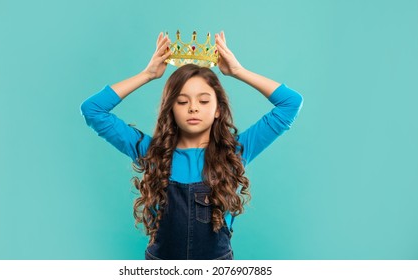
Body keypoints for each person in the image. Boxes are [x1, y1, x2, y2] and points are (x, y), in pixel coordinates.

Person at [80, 31, 303, 260]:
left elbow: (290, 104)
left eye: (204, 101)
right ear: (171, 109)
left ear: (218, 109)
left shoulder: (234, 152)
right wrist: (147, 74)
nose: (193, 108)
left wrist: (238, 71)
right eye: (182, 101)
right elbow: (93, 110)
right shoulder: (150, 152)